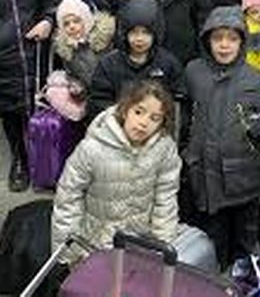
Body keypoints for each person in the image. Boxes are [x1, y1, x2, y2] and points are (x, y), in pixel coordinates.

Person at [52, 80, 217, 273]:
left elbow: (165, 198)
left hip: (142, 241)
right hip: (98, 242)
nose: (144, 123)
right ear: (125, 110)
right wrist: (70, 255)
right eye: (138, 112)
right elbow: (68, 200)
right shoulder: (91, 149)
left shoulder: (164, 149)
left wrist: (163, 245)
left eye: (155, 118)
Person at [183, 6, 260, 269]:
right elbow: (182, 111)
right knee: (212, 237)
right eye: (217, 38)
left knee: (244, 237)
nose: (224, 45)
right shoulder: (194, 72)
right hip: (203, 172)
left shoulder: (255, 79)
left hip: (242, 174)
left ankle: (241, 275)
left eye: (232, 38)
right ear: (207, 40)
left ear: (242, 42)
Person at [0, 0, 61, 191]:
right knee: (9, 109)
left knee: (37, 108)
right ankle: (20, 160)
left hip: (34, 50)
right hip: (3, 55)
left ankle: (43, 161)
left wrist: (48, 20)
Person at [88, 0, 184, 121]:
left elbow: (176, 99)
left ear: (156, 34)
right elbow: (98, 100)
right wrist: (121, 117)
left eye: (146, 32)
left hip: (155, 125)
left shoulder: (167, 63)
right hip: (117, 125)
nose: (139, 39)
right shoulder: (109, 64)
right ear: (125, 34)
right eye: (134, 32)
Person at [53, 0, 115, 112]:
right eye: (66, 24)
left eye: (76, 21)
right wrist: (77, 87)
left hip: (113, 93)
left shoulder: (101, 41)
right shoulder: (67, 51)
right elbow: (72, 75)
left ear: (86, 21)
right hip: (93, 99)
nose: (71, 26)